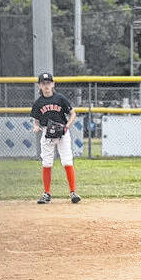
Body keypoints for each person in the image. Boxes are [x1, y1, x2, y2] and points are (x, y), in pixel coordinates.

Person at [30, 72, 81, 204]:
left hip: (62, 132)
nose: (46, 86)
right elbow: (36, 119)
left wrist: (67, 126)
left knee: (67, 161)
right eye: (43, 83)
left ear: (53, 84)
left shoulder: (60, 98)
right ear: (39, 86)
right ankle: (46, 193)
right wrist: (36, 126)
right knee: (47, 162)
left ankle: (73, 192)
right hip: (47, 133)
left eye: (48, 83)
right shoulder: (38, 103)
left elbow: (72, 113)